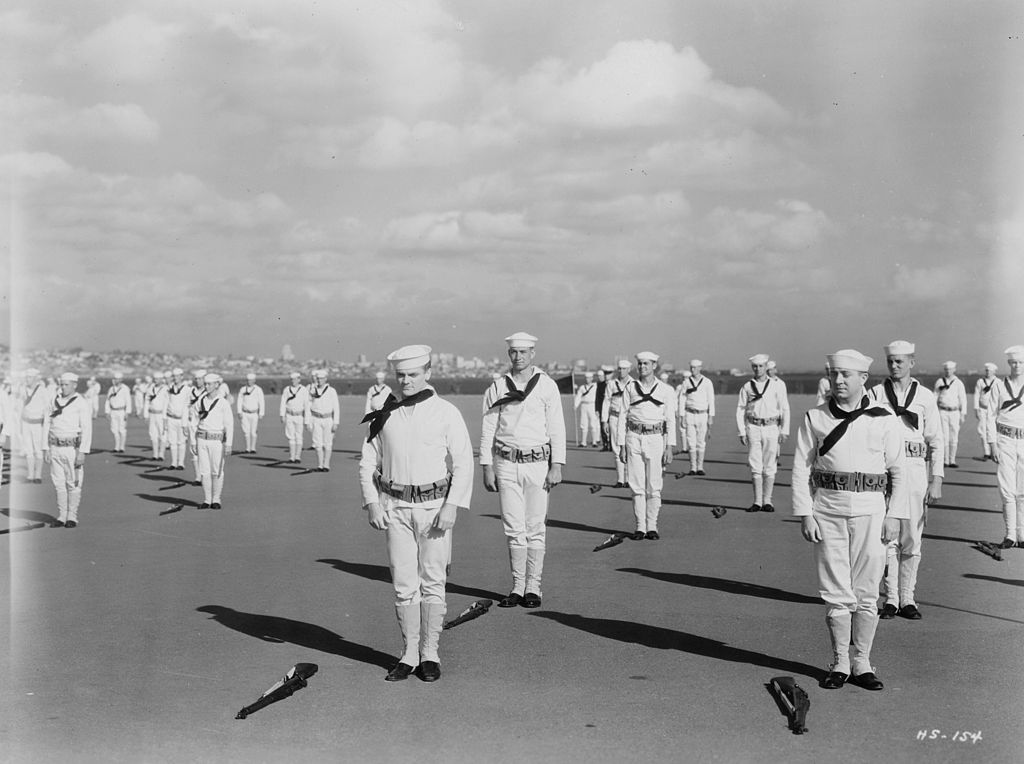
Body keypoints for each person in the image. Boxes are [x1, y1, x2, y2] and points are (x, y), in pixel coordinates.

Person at [791, 349, 907, 692]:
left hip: (872, 510)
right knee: (835, 590)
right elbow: (800, 468)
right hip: (827, 509)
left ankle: (863, 663)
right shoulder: (815, 418)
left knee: (868, 590)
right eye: (833, 374)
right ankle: (841, 661)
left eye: (845, 375)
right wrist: (804, 512)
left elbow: (899, 471)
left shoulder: (884, 418)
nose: (838, 381)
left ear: (863, 379)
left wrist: (896, 515)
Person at [359, 344, 473, 683]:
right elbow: (367, 462)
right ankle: (409, 653)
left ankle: (430, 653)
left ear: (428, 373)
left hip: (434, 508)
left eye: (413, 375)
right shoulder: (385, 412)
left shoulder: (446, 412)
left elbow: (463, 462)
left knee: (433, 581)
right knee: (404, 583)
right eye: (401, 376)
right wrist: (372, 502)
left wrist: (452, 504)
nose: (406, 381)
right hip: (394, 508)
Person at [480, 332, 566, 609]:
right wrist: (486, 466)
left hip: (538, 463)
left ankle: (534, 587)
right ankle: (517, 586)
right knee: (513, 527)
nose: (518, 357)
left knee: (535, 527)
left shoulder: (546, 386)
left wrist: (557, 465)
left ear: (533, 354)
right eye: (514, 353)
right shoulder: (497, 387)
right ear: (509, 355)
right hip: (506, 463)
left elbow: (556, 428)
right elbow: (488, 428)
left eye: (523, 352)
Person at [868, 341, 943, 620]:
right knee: (888, 536)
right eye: (891, 362)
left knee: (912, 535)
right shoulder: (875, 393)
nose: (895, 366)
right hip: (886, 471)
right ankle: (891, 598)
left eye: (900, 361)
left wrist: (936, 478)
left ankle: (908, 598)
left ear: (912, 362)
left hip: (914, 470)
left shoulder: (925, 396)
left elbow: (936, 439)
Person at [616, 351, 676, 540]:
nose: (642, 367)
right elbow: (622, 416)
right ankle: (640, 527)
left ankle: (652, 526)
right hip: (634, 436)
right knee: (636, 485)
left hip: (656, 438)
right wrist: (622, 445)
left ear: (654, 366)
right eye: (640, 364)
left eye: (646, 364)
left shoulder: (666, 390)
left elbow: (670, 420)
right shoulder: (630, 388)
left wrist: (669, 447)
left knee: (654, 485)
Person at [736, 354, 790, 512]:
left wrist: (784, 430)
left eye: (761, 366)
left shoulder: (777, 385)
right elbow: (740, 409)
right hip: (753, 427)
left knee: (770, 464)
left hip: (772, 427)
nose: (758, 369)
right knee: (755, 464)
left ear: (766, 367)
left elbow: (785, 408)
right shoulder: (747, 386)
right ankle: (757, 501)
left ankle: (768, 501)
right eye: (755, 366)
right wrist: (741, 431)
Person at [42, 372, 93, 528]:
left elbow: (87, 428)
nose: (63, 387)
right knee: (58, 483)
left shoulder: (80, 402)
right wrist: (45, 448)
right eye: (61, 384)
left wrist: (83, 451)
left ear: (74, 385)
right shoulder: (53, 400)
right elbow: (46, 424)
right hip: (55, 446)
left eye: (66, 384)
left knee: (73, 483)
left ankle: (72, 516)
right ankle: (62, 515)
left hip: (72, 448)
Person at [991, 345, 1024, 548]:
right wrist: (992, 443)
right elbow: (989, 416)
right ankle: (1010, 534)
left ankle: (1022, 535)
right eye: (1013, 363)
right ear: (1008, 364)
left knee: (1022, 489)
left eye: (1020, 362)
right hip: (1004, 439)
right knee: (1006, 489)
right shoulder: (999, 385)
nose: (1017, 366)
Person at [188, 372, 234, 510]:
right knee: (204, 471)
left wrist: (229, 444)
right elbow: (193, 421)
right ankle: (207, 499)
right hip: (202, 439)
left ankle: (216, 499)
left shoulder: (223, 403)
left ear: (216, 385)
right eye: (205, 383)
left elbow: (229, 424)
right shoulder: (201, 401)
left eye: (209, 384)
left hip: (217, 441)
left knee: (217, 470)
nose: (206, 386)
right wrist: (193, 441)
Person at [679, 360, 715, 476]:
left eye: (695, 368)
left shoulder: (707, 382)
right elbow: (682, 399)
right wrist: (682, 415)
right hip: (690, 413)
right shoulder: (686, 382)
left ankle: (700, 467)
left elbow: (711, 400)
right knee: (691, 441)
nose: (693, 370)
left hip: (702, 414)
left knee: (701, 442)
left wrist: (711, 416)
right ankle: (693, 467)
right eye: (691, 368)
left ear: (700, 368)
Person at [602, 360, 633, 488]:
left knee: (630, 448)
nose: (621, 371)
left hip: (628, 419)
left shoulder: (634, 384)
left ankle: (630, 479)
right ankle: (621, 479)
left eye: (624, 369)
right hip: (614, 417)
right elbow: (606, 401)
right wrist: (604, 420)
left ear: (629, 370)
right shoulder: (611, 384)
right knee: (616, 448)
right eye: (619, 369)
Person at [934, 361, 967, 468]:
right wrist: (933, 412)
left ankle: (952, 460)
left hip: (954, 412)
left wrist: (963, 413)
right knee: (944, 436)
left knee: (954, 436)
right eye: (946, 369)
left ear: (954, 370)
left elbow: (963, 398)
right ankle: (945, 460)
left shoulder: (958, 383)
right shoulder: (939, 381)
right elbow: (935, 396)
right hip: (942, 411)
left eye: (950, 369)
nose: (948, 371)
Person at [305, 370, 340, 471]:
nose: (319, 381)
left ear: (325, 379)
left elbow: (336, 407)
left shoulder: (331, 391)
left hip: (328, 419)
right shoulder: (312, 390)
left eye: (321, 379)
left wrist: (336, 422)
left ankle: (326, 464)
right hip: (316, 419)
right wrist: (307, 422)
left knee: (328, 443)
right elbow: (308, 406)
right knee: (317, 443)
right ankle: (320, 464)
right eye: (318, 379)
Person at [20, 368, 47, 484]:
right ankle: (30, 475)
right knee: (28, 449)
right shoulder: (23, 389)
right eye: (26, 377)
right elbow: (20, 405)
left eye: (30, 377)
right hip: (26, 422)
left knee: (38, 450)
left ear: (36, 378)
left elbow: (47, 409)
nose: (27, 379)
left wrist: (47, 425)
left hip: (38, 424)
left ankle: (38, 475)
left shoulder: (43, 390)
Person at [280, 372, 309, 463]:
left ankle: (298, 456)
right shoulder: (287, 389)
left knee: (299, 436)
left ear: (299, 379)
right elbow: (283, 403)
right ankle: (292, 457)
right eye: (292, 379)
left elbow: (306, 405)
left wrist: (307, 420)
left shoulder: (303, 390)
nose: (293, 381)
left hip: (299, 416)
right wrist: (282, 415)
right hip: (289, 415)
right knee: (290, 436)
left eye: (295, 379)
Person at [165, 369, 190, 470]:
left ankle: (181, 463)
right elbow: (166, 403)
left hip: (181, 419)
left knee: (181, 442)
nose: (175, 378)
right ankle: (173, 462)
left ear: (182, 376)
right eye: (174, 376)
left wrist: (185, 423)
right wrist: (165, 418)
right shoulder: (170, 388)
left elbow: (187, 406)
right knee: (172, 441)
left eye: (177, 376)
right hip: (171, 418)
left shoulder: (187, 389)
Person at [974, 362, 999, 461]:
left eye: (989, 370)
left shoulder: (998, 382)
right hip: (983, 409)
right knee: (982, 430)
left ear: (994, 371)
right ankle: (986, 453)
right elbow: (976, 395)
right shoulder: (980, 381)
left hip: (994, 411)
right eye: (986, 370)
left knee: (994, 431)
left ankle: (995, 451)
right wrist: (976, 409)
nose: (988, 372)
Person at [236, 373, 266, 454]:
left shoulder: (258, 389)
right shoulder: (243, 389)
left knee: (253, 431)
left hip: (254, 413)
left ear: (254, 380)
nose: (249, 382)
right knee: (246, 431)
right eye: (248, 380)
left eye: (251, 380)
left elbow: (261, 401)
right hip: (245, 413)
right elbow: (239, 401)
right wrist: (239, 412)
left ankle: (253, 448)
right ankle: (247, 448)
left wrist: (261, 413)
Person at [143, 371, 169, 461]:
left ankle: (161, 454)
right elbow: (146, 401)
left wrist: (165, 417)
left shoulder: (166, 389)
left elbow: (167, 403)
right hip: (152, 414)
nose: (156, 380)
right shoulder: (150, 388)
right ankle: (155, 454)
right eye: (155, 379)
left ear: (162, 379)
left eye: (158, 379)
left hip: (161, 414)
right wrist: (145, 415)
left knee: (163, 434)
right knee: (153, 434)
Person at [187, 370, 207, 484]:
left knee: (205, 451)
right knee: (194, 450)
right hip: (193, 422)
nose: (198, 381)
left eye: (200, 379)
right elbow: (186, 406)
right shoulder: (191, 391)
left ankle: (205, 476)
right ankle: (198, 477)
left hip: (205, 424)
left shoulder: (208, 392)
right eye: (197, 379)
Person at [574, 372, 600, 447]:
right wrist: (576, 405)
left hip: (592, 405)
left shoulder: (595, 386)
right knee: (583, 423)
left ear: (592, 378)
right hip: (584, 405)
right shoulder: (582, 387)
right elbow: (578, 396)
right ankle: (583, 442)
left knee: (593, 423)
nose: (587, 379)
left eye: (589, 378)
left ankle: (594, 441)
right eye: (586, 378)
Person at [595, 367, 612, 451]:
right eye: (605, 374)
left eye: (608, 374)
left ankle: (612, 445)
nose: (606, 376)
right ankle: (605, 444)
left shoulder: (614, 384)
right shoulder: (600, 384)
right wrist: (597, 409)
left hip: (612, 410)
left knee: (612, 427)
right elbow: (597, 398)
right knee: (603, 427)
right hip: (602, 409)